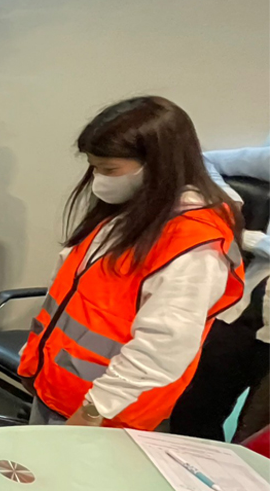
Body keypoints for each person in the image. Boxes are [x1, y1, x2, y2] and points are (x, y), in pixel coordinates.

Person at [19, 97, 245, 429]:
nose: (98, 179)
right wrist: (35, 359)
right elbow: (72, 297)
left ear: (157, 165)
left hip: (105, 416)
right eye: (94, 167)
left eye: (109, 170)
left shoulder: (193, 245)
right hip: (58, 391)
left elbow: (161, 348)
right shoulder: (128, 211)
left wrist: (93, 411)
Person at [171, 141, 269, 441]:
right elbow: (201, 161)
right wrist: (229, 204)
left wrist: (253, 240)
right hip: (242, 312)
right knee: (191, 411)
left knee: (254, 435)